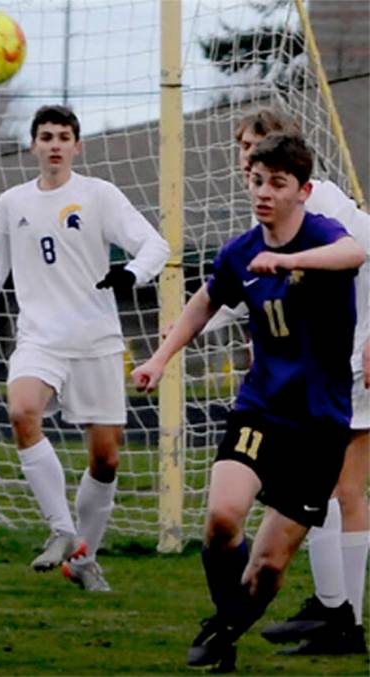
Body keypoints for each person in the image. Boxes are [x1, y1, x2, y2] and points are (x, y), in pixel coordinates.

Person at [131, 132, 365, 671]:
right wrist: (160, 358)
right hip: (260, 409)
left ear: (303, 190)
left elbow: (355, 252)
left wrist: (290, 262)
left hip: (319, 424)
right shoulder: (240, 251)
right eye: (257, 181)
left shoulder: (324, 233)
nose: (263, 192)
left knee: (268, 566)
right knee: (221, 517)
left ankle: (227, 631)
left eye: (277, 183)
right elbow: (205, 302)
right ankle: (224, 621)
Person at [0, 105, 170, 592]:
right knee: (22, 411)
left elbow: (156, 246)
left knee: (105, 460)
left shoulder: (99, 195)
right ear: (33, 146)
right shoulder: (12, 202)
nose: (55, 145)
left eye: (64, 137)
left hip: (96, 342)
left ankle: (84, 560)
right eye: (46, 137)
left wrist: (131, 273)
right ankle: (61, 529)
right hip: (39, 339)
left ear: (77, 146)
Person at [197, 109, 369, 656]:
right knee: (337, 492)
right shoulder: (266, 214)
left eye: (256, 147)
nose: (248, 160)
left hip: (346, 361)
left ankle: (338, 614)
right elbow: (251, 282)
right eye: (244, 153)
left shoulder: (323, 203)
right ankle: (336, 611)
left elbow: (362, 251)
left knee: (343, 490)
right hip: (308, 371)